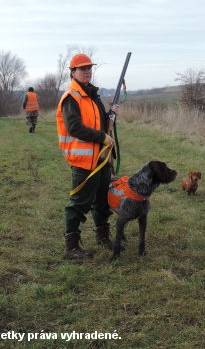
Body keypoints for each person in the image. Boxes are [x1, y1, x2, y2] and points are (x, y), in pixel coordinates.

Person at [56, 53, 120, 259]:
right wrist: (102, 137)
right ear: (72, 72)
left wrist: (110, 114)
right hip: (84, 161)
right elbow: (75, 128)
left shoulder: (91, 95)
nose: (87, 71)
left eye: (89, 68)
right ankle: (71, 248)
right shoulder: (71, 97)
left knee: (103, 200)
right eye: (82, 68)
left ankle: (103, 238)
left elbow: (99, 123)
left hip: (101, 160)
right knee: (79, 203)